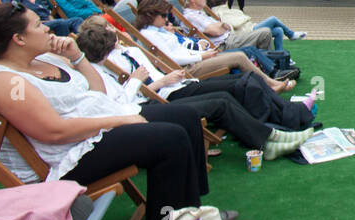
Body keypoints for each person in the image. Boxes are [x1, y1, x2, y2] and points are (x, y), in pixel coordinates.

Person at [0, 4, 232, 220]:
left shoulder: (47, 59)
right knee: (169, 138)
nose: (47, 27)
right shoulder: (6, 81)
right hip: (64, 157)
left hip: (95, 128)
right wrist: (119, 122)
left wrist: (76, 57)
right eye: (37, 25)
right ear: (18, 39)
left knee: (183, 115)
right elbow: (52, 132)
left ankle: (190, 209)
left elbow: (96, 91)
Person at [75, 19, 316, 159]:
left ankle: (287, 118)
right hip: (163, 95)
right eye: (111, 32)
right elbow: (118, 104)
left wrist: (168, 74)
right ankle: (270, 136)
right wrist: (156, 81)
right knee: (226, 96)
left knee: (246, 81)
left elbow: (160, 67)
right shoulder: (102, 70)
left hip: (178, 83)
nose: (117, 32)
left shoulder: (130, 52)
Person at [135, 0, 294, 89]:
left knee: (263, 37)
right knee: (240, 56)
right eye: (163, 16)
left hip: (199, 56)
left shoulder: (159, 31)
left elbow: (181, 49)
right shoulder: (150, 35)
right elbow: (172, 59)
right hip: (188, 68)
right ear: (150, 15)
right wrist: (202, 56)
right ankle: (271, 82)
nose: (166, 19)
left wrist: (201, 53)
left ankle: (272, 78)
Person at [178, 0, 274, 56]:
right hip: (224, 44)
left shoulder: (199, 13)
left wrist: (221, 26)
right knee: (265, 33)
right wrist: (222, 26)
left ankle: (269, 62)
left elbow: (222, 25)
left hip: (230, 37)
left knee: (274, 30)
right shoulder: (191, 17)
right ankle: (269, 65)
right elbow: (215, 31)